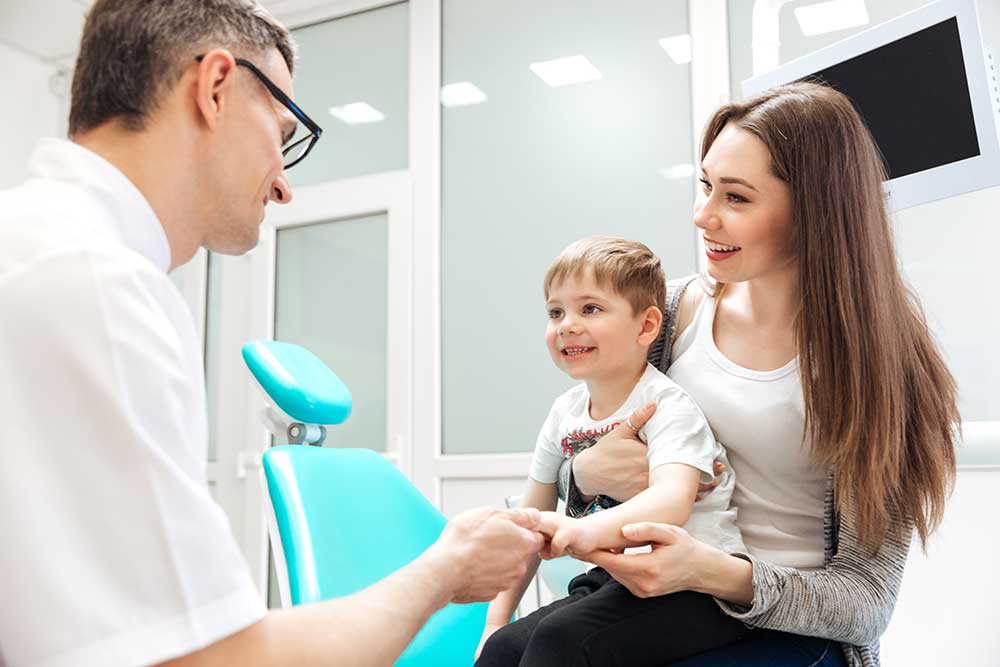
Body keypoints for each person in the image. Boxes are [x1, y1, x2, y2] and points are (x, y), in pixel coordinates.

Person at [0, 1, 543, 666]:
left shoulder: (41, 245)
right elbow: (216, 659)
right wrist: (446, 571)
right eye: (284, 135)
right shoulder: (95, 282)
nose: (284, 186)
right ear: (216, 88)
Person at [556, 82, 959, 667]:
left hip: (789, 632)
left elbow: (866, 603)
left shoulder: (884, 363)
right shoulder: (665, 317)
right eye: (705, 186)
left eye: (737, 198)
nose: (703, 215)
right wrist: (585, 476)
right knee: (510, 647)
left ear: (815, 210)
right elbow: (581, 456)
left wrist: (714, 571)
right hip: (662, 600)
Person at [475, 236, 749, 666]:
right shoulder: (563, 413)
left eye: (590, 309)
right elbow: (529, 522)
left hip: (696, 587)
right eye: (555, 312)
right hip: (618, 578)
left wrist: (584, 532)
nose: (567, 324)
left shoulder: (668, 405)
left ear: (646, 327)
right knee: (503, 648)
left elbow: (671, 502)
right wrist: (496, 619)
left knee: (561, 641)